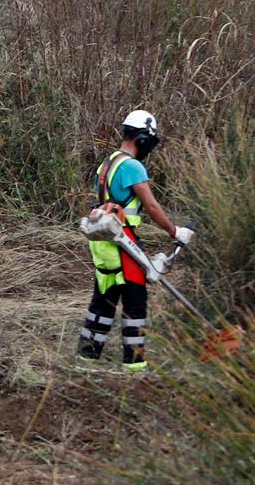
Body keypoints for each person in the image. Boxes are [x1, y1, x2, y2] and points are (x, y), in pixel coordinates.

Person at [79, 110, 193, 371]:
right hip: (122, 240)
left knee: (104, 297)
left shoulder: (107, 163)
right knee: (135, 301)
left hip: (102, 241)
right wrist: (175, 232)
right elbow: (151, 207)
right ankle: (134, 364)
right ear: (142, 138)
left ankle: (87, 356)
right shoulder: (132, 166)